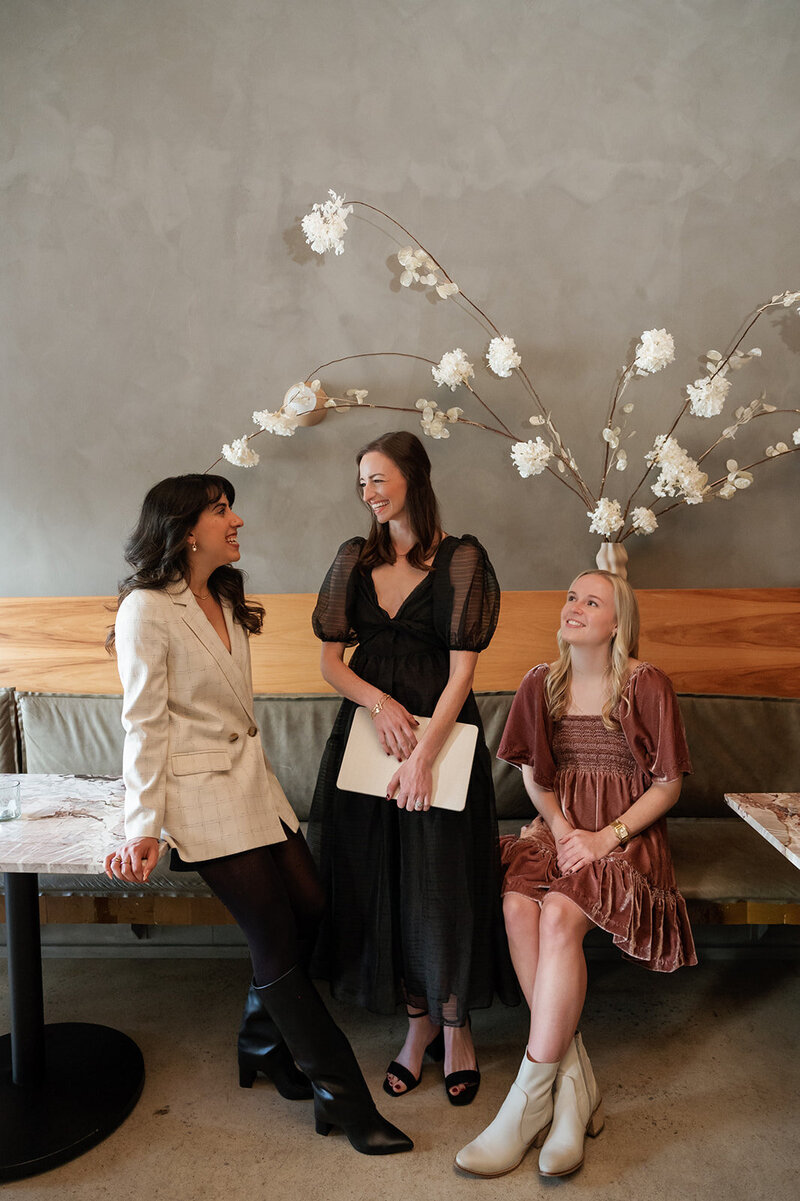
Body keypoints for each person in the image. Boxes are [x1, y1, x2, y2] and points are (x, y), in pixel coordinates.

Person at [104, 474, 412, 1157]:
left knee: (309, 906)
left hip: (254, 784)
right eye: (221, 511)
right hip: (199, 797)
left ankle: (260, 1040)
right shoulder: (146, 610)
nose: (236, 519)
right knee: (275, 933)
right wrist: (144, 824)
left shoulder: (221, 594)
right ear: (186, 529)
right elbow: (143, 725)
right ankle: (345, 1099)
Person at [456, 569, 696, 1179]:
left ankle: (525, 1099)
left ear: (618, 623)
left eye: (593, 601)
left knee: (560, 915)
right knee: (517, 905)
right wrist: (564, 832)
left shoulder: (646, 685)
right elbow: (536, 778)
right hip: (560, 830)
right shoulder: (542, 683)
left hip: (624, 837)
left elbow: (667, 786)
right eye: (570, 596)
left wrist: (602, 838)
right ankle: (571, 1087)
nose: (575, 606)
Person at [307, 431, 518, 1108]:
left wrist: (425, 753)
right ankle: (417, 1024)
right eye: (361, 482)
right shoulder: (352, 557)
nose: (368, 493)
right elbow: (331, 662)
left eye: (378, 479)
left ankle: (456, 1028)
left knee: (443, 885)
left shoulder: (462, 558)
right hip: (370, 739)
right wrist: (382, 703)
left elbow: (463, 673)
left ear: (414, 479)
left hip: (444, 744)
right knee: (384, 883)